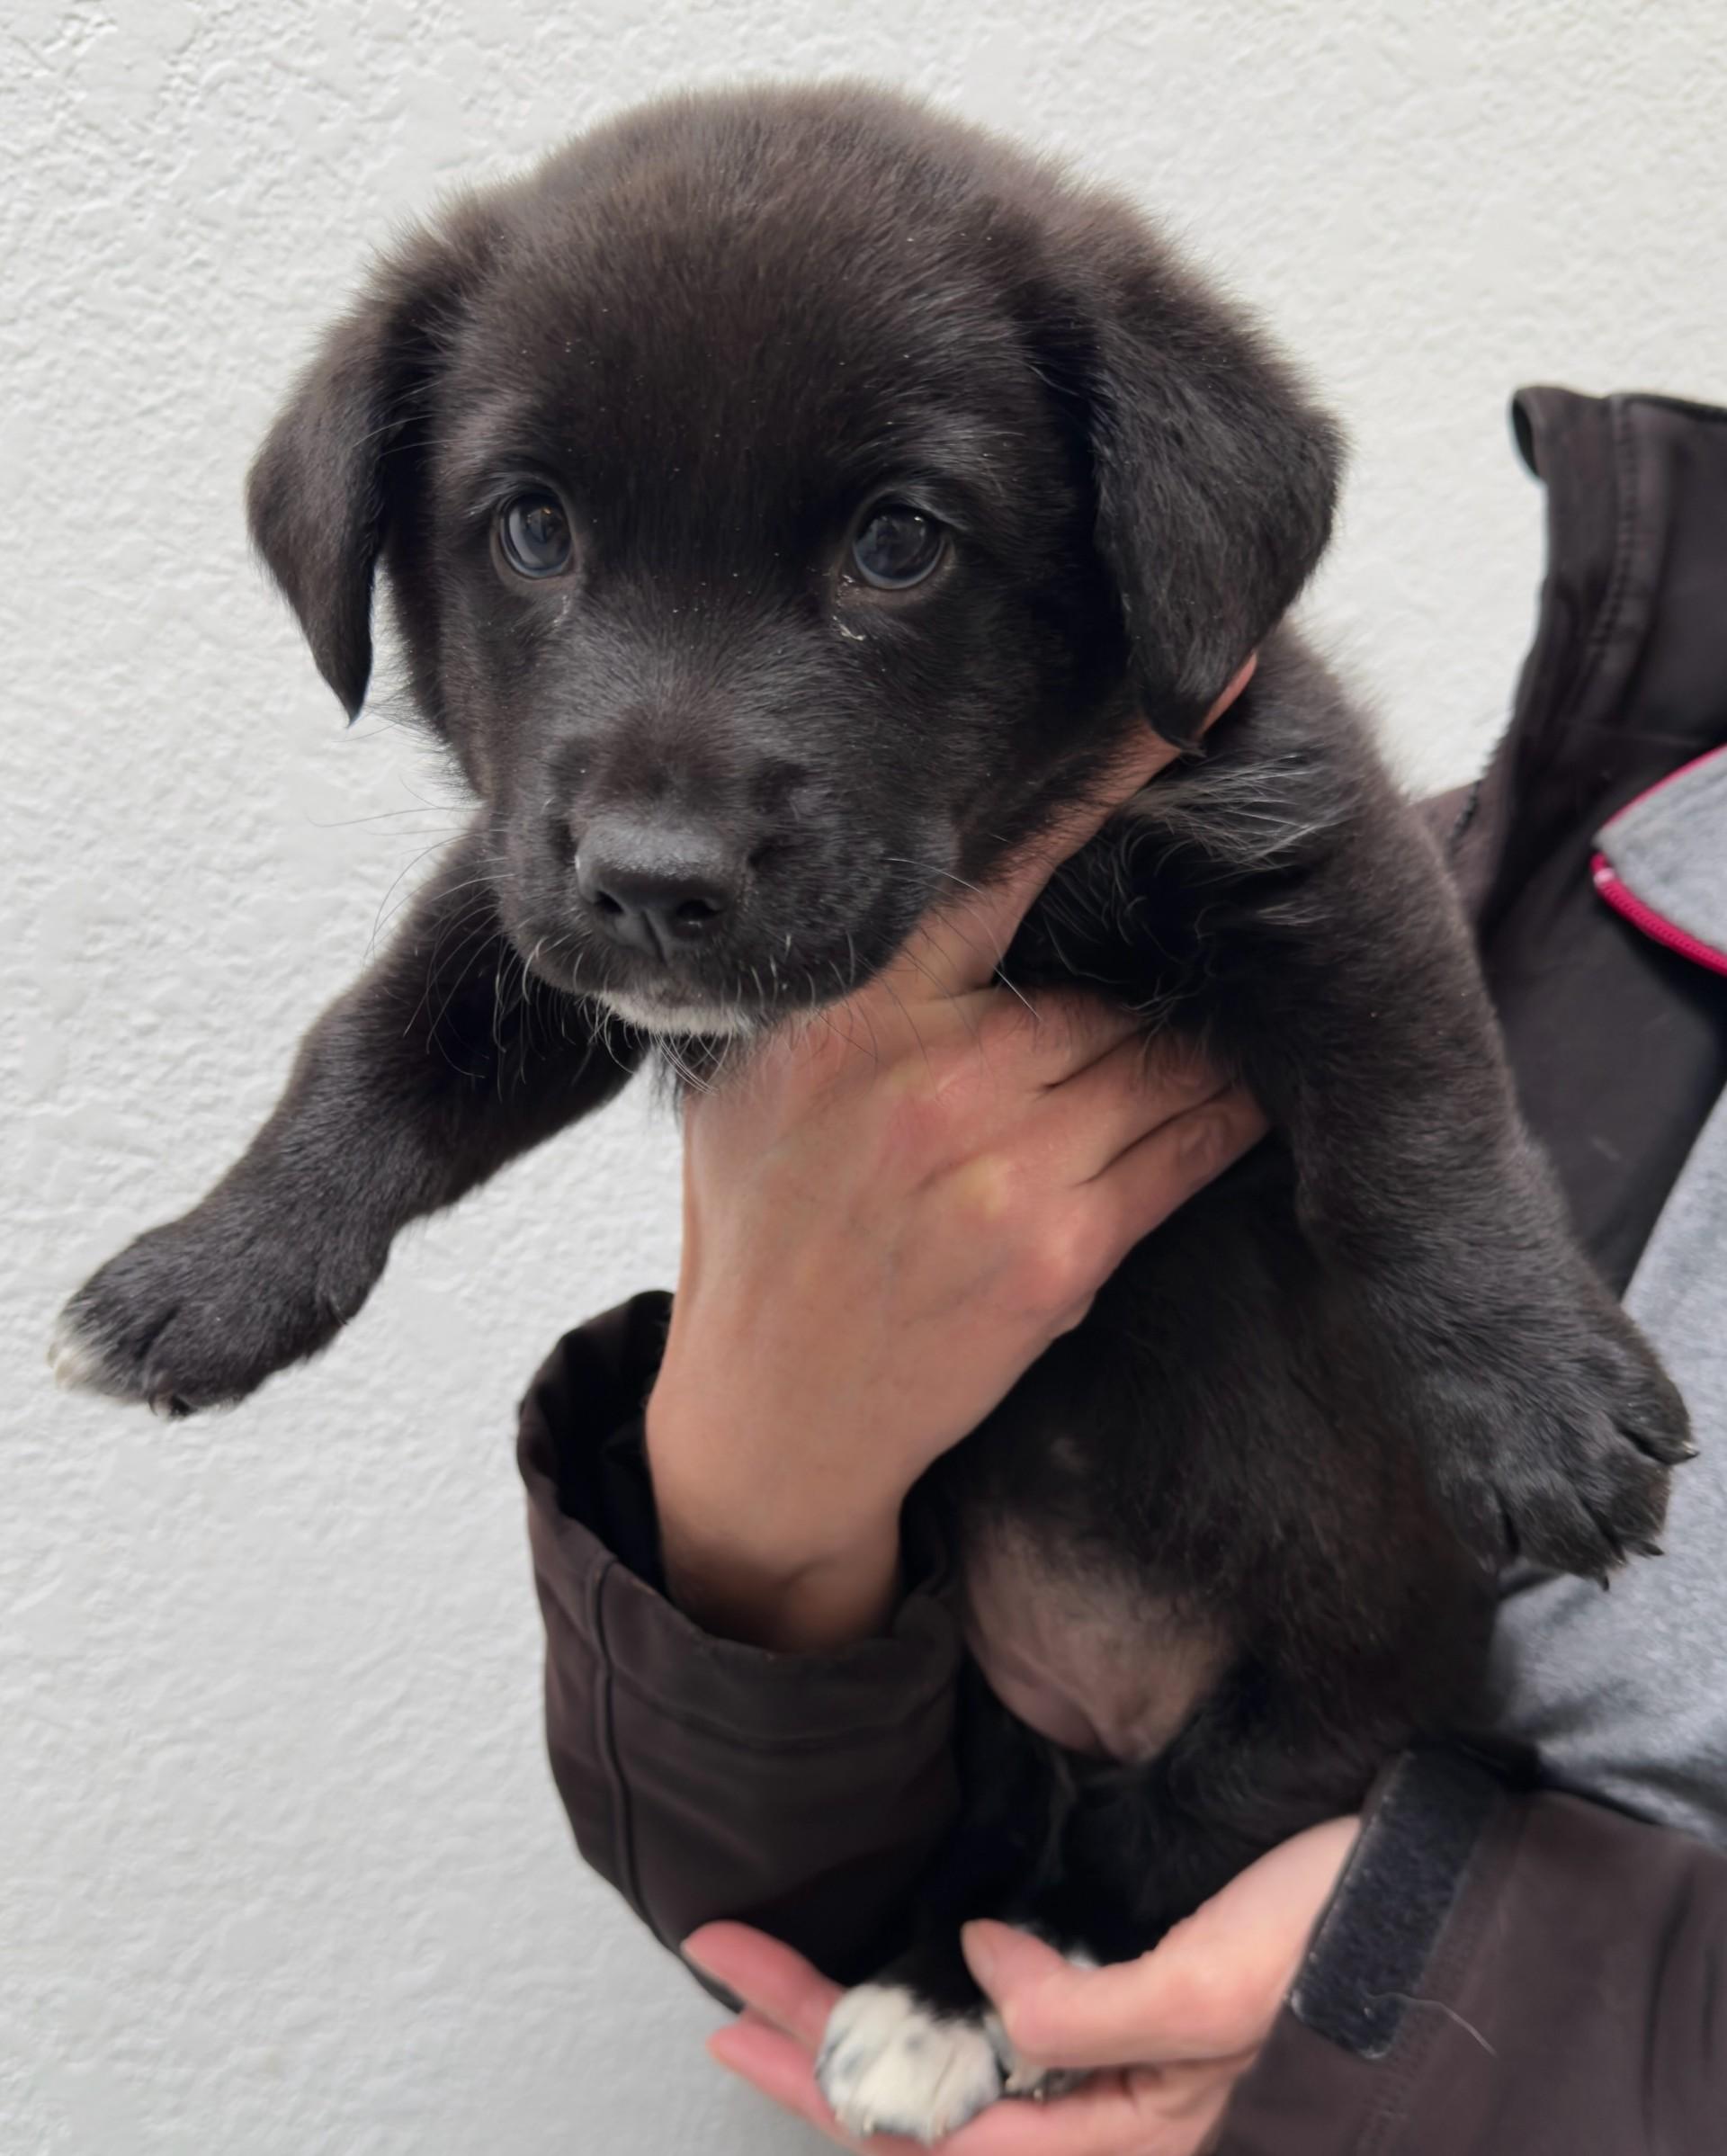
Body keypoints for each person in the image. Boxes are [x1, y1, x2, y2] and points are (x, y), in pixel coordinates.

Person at [517, 386, 1727, 2152]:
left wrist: (1416, 2011)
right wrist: (755, 1493)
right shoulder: (1560, 843)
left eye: (896, 542)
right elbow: (796, 1908)